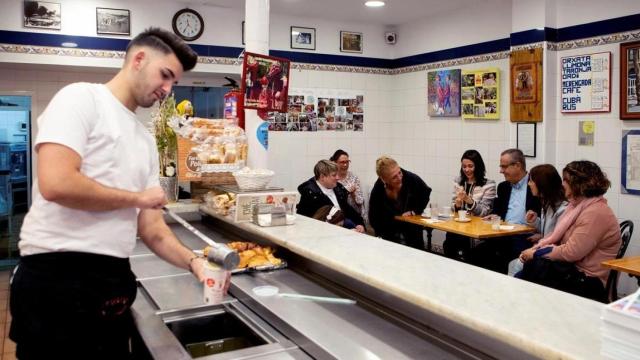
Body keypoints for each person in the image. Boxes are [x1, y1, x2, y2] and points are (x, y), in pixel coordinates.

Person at [9, 28, 207, 359]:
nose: (168, 89)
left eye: (174, 81)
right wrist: (137, 198)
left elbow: (153, 230)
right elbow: (56, 183)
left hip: (111, 280)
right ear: (139, 59)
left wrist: (194, 262)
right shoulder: (81, 99)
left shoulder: (144, 141)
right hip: (56, 277)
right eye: (166, 75)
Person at [519, 161, 621, 302]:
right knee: (530, 270)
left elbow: (571, 252)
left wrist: (536, 252)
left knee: (529, 274)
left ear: (577, 184)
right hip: (574, 272)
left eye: (566, 180)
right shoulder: (578, 205)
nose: (562, 184)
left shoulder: (595, 212)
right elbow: (556, 235)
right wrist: (536, 249)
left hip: (589, 281)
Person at [471, 149, 540, 273]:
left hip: (525, 237)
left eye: (504, 167)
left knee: (503, 258)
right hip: (503, 234)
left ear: (517, 165)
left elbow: (546, 216)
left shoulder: (535, 185)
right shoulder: (503, 187)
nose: (501, 171)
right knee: (476, 253)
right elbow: (498, 213)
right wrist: (494, 217)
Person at [507, 164, 568, 276]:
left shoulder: (562, 209)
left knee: (516, 266)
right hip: (544, 250)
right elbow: (548, 231)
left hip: (552, 257)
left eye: (531, 181)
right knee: (513, 264)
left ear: (541, 184)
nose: (529, 184)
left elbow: (556, 238)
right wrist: (535, 221)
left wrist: (534, 252)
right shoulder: (547, 203)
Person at [443, 150, 496, 262]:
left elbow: (485, 211)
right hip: (458, 228)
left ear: (478, 166)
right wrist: (457, 205)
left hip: (477, 230)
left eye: (470, 166)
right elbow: (453, 209)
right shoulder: (458, 181)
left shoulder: (488, 184)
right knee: (448, 244)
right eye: (464, 166)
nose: (467, 170)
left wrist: (468, 200)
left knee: (468, 253)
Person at [369, 156, 431, 250]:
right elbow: (373, 217)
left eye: (399, 172)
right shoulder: (378, 189)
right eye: (394, 177)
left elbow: (426, 192)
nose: (399, 178)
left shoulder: (410, 178)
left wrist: (415, 211)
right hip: (389, 233)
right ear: (384, 179)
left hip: (412, 231)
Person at [297, 160, 365, 233]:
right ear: (322, 177)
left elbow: (348, 210)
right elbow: (305, 222)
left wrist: (360, 224)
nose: (338, 178)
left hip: (344, 228)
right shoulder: (310, 194)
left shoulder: (338, 188)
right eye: (334, 175)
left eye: (337, 174)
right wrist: (345, 232)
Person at [329, 149, 366, 223]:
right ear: (335, 163)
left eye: (347, 162)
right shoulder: (332, 179)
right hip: (339, 216)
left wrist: (353, 195)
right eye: (342, 162)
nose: (345, 165)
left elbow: (360, 201)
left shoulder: (354, 178)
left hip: (355, 215)